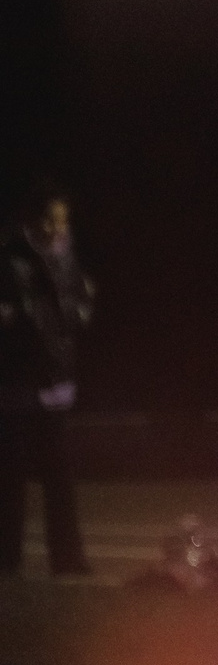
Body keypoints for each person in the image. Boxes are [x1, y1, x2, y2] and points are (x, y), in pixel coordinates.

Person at [1, 183, 96, 579]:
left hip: (55, 383)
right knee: (10, 480)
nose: (58, 228)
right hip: (17, 388)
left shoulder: (66, 254)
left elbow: (79, 304)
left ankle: (68, 559)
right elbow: (17, 318)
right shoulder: (10, 257)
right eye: (50, 220)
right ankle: (7, 561)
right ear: (32, 220)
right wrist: (24, 320)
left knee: (61, 479)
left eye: (62, 221)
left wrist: (75, 312)